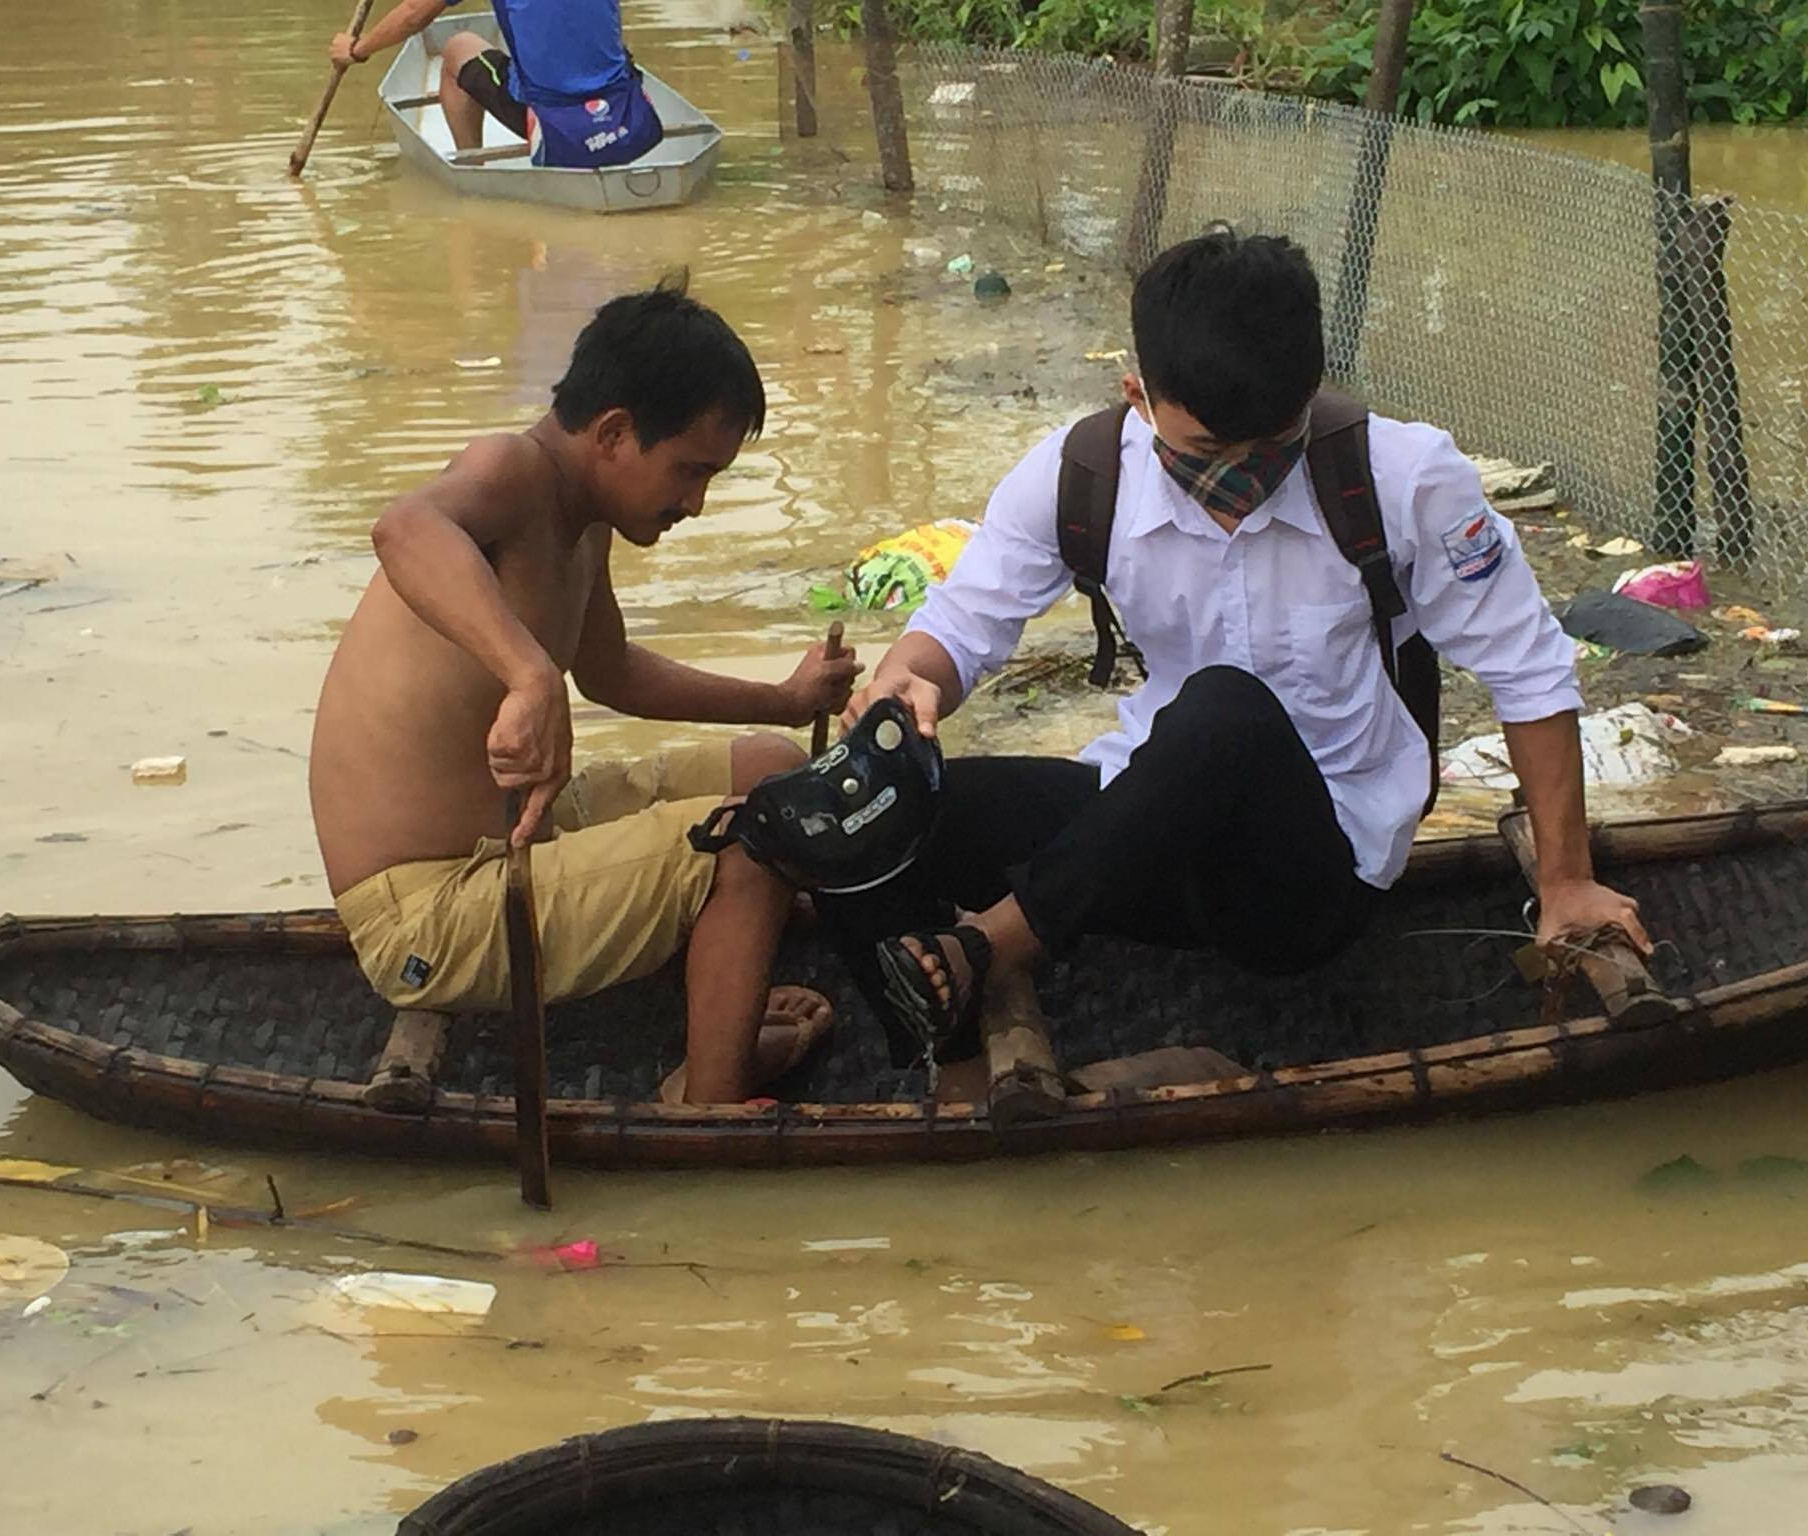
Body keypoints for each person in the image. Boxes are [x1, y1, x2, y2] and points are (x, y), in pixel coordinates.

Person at [829, 231, 1649, 1068]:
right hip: (1142, 833)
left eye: (1268, 449)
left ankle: (993, 947)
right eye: (1206, 454)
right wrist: (904, 691)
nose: (1239, 479)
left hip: (1304, 880)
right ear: (1138, 397)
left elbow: (1528, 671)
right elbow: (959, 628)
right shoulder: (1080, 473)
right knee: (872, 812)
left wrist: (1565, 880)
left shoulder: (1405, 479)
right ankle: (950, 1071)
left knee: (1222, 712)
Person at [310, 280, 860, 1104]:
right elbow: (405, 528)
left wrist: (783, 699)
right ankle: (708, 1102)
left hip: (523, 839)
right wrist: (531, 675)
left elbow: (610, 672)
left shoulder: (586, 516)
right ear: (612, 433)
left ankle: (724, 985)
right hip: (429, 910)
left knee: (771, 768)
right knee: (750, 842)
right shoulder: (509, 471)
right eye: (688, 472)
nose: (695, 503)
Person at [330, 0, 662, 168]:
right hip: (624, 113)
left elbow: (415, 12)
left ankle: (472, 167)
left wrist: (357, 50)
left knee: (458, 47)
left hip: (551, 121)